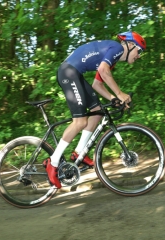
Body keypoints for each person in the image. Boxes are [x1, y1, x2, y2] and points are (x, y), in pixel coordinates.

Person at [43, 31, 146, 188]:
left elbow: (97, 84)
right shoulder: (117, 48)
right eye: (139, 51)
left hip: (75, 74)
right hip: (69, 72)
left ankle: (79, 153)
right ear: (130, 45)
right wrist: (119, 93)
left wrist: (113, 99)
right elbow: (104, 72)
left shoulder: (113, 58)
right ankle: (53, 162)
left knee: (97, 112)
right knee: (80, 121)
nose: (138, 56)